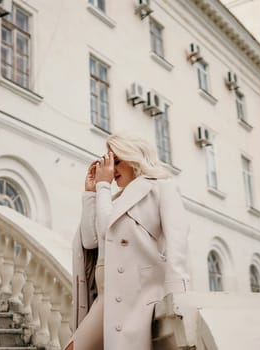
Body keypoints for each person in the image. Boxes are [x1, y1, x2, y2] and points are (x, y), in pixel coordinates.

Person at [66, 132, 190, 350]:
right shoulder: (114, 200)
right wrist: (90, 194)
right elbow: (90, 241)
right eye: (109, 163)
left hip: (136, 297)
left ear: (133, 158)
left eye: (116, 161)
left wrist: (177, 296)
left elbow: (177, 241)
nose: (111, 171)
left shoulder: (161, 187)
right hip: (105, 297)